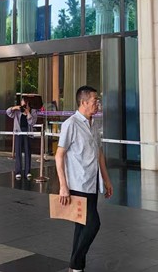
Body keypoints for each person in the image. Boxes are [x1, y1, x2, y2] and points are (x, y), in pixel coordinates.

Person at [55, 86, 113, 272]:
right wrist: (63, 186)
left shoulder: (94, 124)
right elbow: (59, 155)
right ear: (83, 102)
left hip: (92, 182)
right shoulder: (70, 124)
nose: (98, 104)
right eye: (95, 101)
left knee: (81, 226)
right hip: (78, 184)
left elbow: (99, 153)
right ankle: (75, 263)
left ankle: (76, 267)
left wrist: (106, 179)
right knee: (93, 224)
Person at [6, 97, 37, 179]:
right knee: (18, 151)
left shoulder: (33, 111)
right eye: (22, 103)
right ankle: (18, 171)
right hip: (18, 132)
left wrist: (28, 113)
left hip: (28, 133)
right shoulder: (17, 111)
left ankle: (28, 171)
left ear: (28, 103)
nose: (23, 105)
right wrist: (15, 108)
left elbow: (32, 122)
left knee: (27, 151)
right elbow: (8, 112)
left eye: (25, 104)